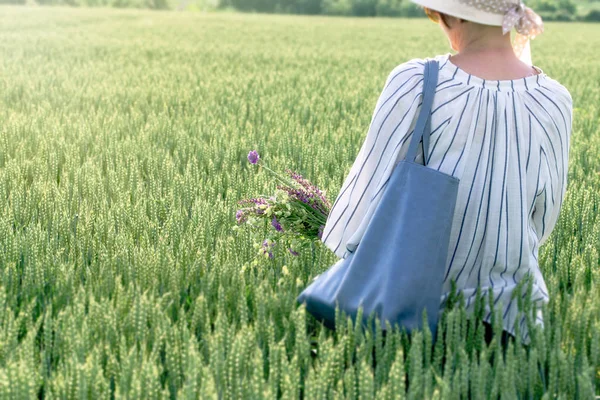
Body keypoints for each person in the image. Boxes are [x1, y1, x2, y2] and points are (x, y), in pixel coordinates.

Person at [321, 0, 573, 351]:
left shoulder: (416, 82)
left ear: (454, 14)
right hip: (513, 322)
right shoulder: (555, 100)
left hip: (408, 314)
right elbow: (543, 217)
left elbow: (364, 204)